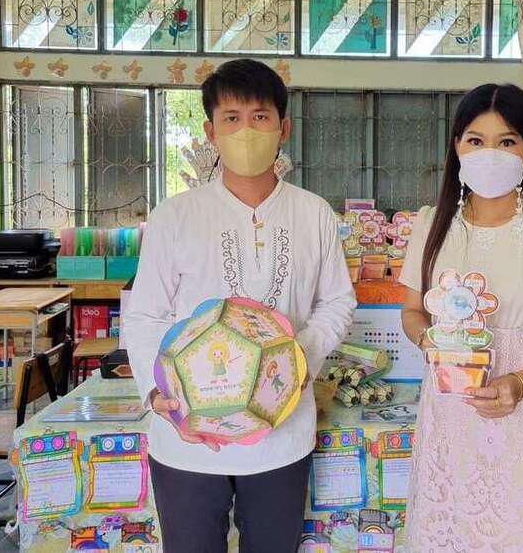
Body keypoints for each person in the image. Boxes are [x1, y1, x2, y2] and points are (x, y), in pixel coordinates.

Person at [124, 58, 356, 553]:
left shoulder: (313, 213)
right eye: (231, 118)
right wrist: (155, 392)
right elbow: (144, 314)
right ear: (211, 131)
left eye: (260, 117)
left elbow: (337, 301)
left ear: (283, 128)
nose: (246, 130)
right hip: (187, 437)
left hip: (281, 433)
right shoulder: (175, 216)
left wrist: (295, 360)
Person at [399, 83, 523, 552]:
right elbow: (411, 312)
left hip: (521, 420)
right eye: (476, 140)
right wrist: (431, 341)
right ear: (457, 147)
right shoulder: (431, 225)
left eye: (506, 141)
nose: (489, 153)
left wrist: (520, 384)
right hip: (448, 420)